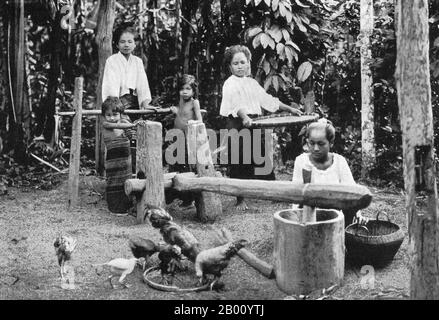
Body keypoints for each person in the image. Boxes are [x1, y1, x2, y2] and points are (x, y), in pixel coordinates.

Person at [219, 45, 303, 210]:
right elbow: (236, 104)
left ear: (249, 64)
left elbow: (268, 100)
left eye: (243, 62)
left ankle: (272, 192)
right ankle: (241, 198)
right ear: (230, 66)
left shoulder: (251, 83)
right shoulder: (229, 84)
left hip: (255, 122)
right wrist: (245, 117)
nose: (240, 66)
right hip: (237, 123)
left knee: (261, 155)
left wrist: (290, 109)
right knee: (239, 159)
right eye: (235, 63)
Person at [292, 118, 367, 225]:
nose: (316, 148)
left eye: (321, 144)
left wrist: (358, 213)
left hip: (335, 216)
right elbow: (296, 195)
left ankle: (344, 233)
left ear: (331, 143)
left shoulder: (339, 161)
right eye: (312, 143)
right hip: (308, 213)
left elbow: (352, 191)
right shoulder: (301, 161)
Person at [101, 24, 154, 173]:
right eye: (123, 42)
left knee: (136, 135)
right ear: (117, 44)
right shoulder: (112, 61)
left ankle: (138, 172)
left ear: (135, 43)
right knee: (121, 137)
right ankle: (121, 173)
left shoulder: (137, 61)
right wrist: (115, 108)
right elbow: (111, 86)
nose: (126, 45)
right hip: (118, 103)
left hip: (135, 102)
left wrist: (145, 103)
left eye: (130, 41)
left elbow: (142, 85)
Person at [167, 75, 203, 208]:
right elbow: (180, 114)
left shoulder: (195, 102)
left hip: (188, 139)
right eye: (182, 89)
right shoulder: (181, 101)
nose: (185, 91)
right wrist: (176, 111)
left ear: (193, 91)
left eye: (188, 89)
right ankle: (176, 194)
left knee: (188, 167)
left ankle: (190, 199)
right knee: (176, 165)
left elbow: (199, 120)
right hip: (177, 138)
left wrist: (191, 121)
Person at [101, 96, 139, 215]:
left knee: (126, 181)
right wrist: (132, 125)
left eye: (115, 114)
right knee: (114, 183)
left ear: (121, 114)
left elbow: (132, 134)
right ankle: (115, 208)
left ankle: (127, 206)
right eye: (108, 115)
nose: (111, 118)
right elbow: (119, 126)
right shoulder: (106, 124)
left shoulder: (124, 123)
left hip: (125, 160)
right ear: (104, 116)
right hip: (113, 162)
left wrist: (134, 127)